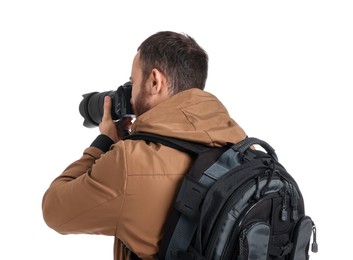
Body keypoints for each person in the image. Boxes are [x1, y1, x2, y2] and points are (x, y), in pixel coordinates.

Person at [42, 31, 247, 260]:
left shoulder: (130, 162)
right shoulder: (245, 152)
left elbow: (54, 210)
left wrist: (104, 142)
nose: (130, 96)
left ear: (154, 81)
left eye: (133, 82)